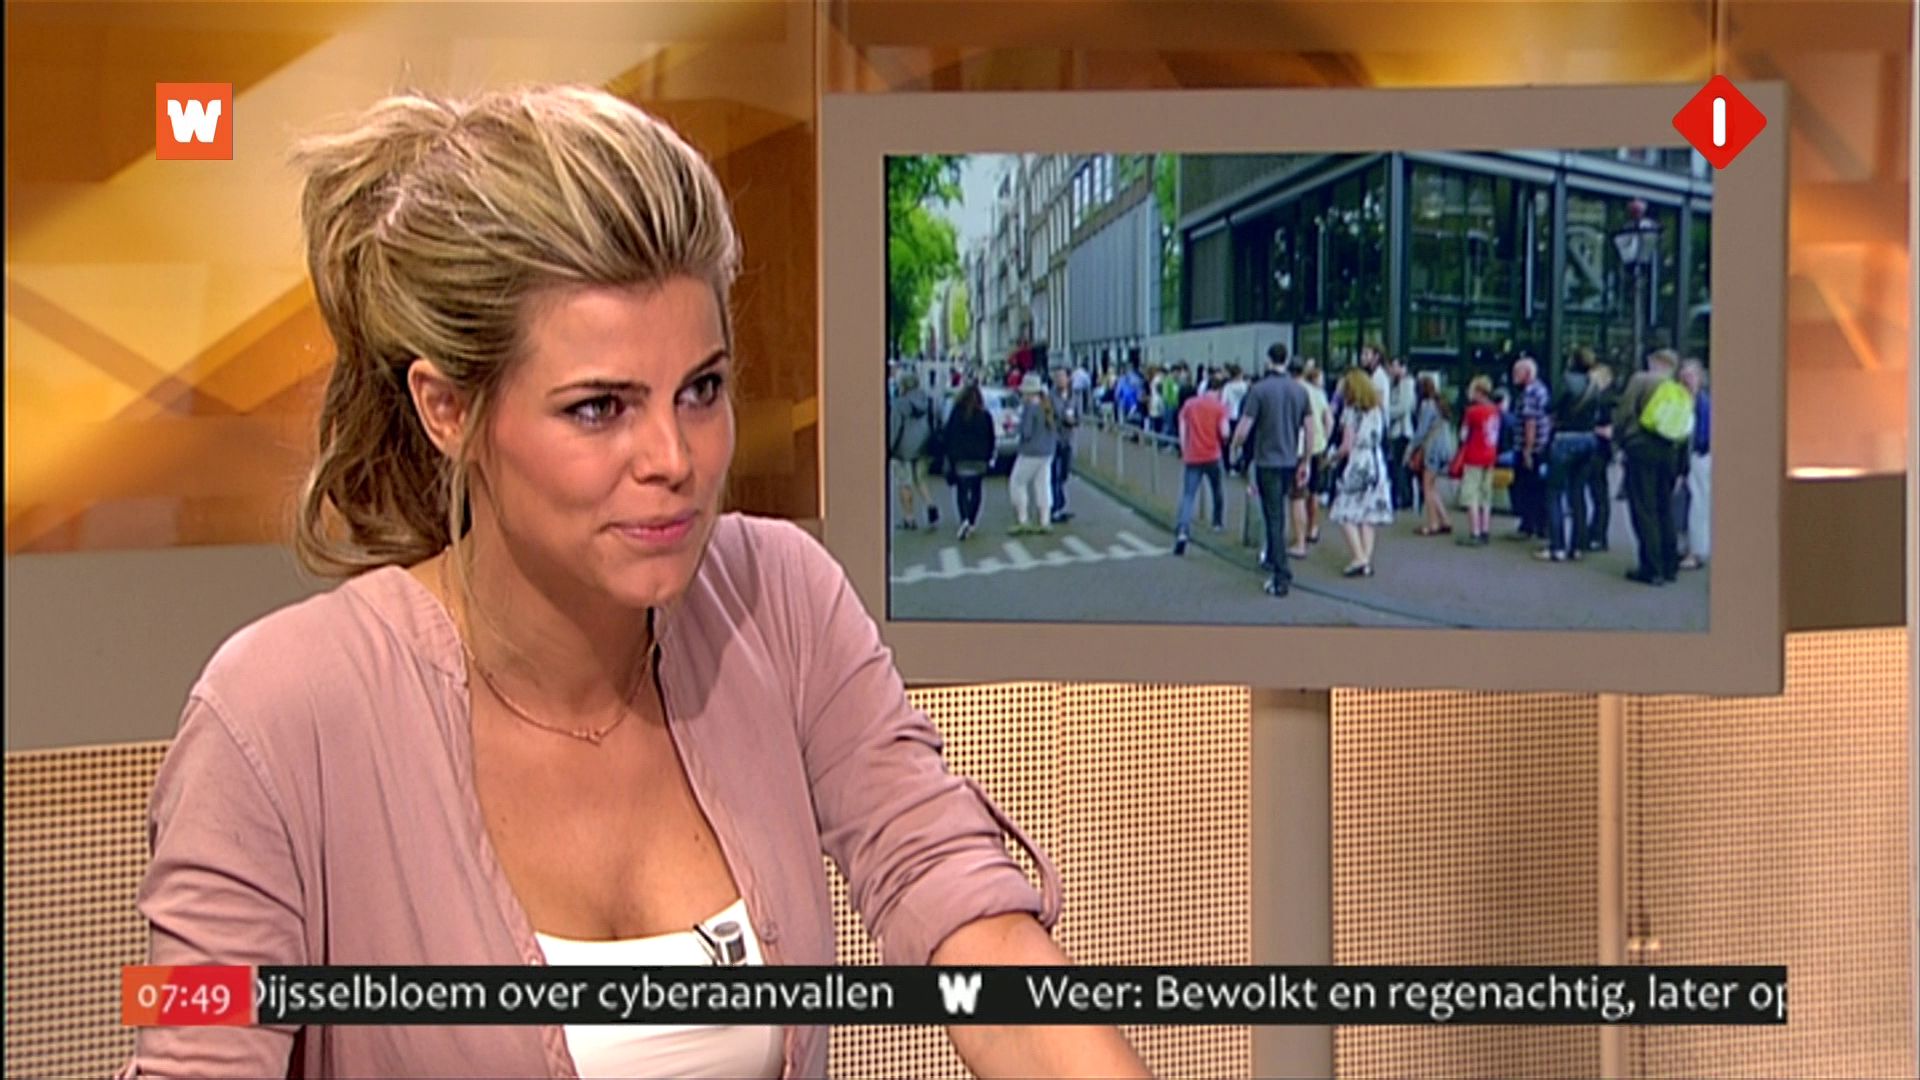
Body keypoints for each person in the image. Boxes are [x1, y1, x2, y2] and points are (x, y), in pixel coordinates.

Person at [121, 85, 1145, 1080]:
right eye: (599, 408)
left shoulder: (779, 600)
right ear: (448, 409)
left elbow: (969, 918)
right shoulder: (274, 715)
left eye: (701, 389)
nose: (674, 458)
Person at [1230, 342, 1313, 597]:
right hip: (1290, 460)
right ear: (1286, 360)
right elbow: (1310, 429)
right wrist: (1305, 461)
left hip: (1267, 461)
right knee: (1281, 513)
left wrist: (1234, 446)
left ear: (1268, 360)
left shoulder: (1259, 390)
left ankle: (1281, 575)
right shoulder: (1300, 391)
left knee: (1273, 518)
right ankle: (1275, 562)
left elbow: (1244, 427)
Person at [1613, 349, 1690, 585]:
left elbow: (1624, 413)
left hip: (1642, 449)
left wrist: (1619, 441)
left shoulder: (1641, 380)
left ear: (1654, 362)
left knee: (1644, 509)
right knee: (1664, 508)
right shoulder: (1678, 388)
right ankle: (1669, 566)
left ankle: (1651, 568)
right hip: (1669, 452)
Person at [1537, 351, 1605, 563]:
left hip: (1565, 439)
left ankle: (1557, 545)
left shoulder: (1566, 381)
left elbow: (1550, 406)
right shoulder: (1594, 384)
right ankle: (1577, 546)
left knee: (1554, 493)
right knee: (1578, 494)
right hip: (1588, 439)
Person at [1328, 367, 1392, 576]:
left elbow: (1347, 445)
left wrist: (1333, 457)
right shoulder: (1377, 409)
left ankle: (1359, 557)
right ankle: (1366, 559)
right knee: (1368, 514)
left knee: (1344, 511)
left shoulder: (1351, 411)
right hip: (1376, 461)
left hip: (1358, 461)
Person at [1172, 380, 1228, 555]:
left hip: (1193, 455)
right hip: (1212, 455)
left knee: (1188, 495)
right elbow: (1225, 432)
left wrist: (1184, 449)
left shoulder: (1189, 405)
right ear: (1219, 391)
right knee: (1217, 489)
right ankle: (1217, 522)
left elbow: (1182, 428)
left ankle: (1183, 530)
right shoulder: (1220, 407)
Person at [1450, 375, 1501, 546]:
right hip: (1490, 456)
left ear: (1478, 392)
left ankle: (1475, 531)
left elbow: (1463, 435)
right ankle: (1485, 530)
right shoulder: (1494, 410)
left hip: (1474, 456)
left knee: (1471, 494)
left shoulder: (1472, 412)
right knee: (1486, 494)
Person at [943, 384, 996, 540]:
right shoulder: (985, 416)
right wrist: (988, 456)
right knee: (976, 491)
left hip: (960, 460)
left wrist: (950, 456)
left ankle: (964, 519)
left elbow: (949, 436)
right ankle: (972, 521)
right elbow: (991, 438)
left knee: (962, 491)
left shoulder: (956, 414)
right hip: (979, 460)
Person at [888, 370, 939, 530]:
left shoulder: (899, 404)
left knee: (904, 482)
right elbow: (936, 421)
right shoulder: (928, 401)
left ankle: (909, 517)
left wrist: (889, 447)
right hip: (924, 445)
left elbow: (894, 427)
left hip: (902, 448)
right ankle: (930, 505)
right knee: (920, 479)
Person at [1406, 374, 1457, 537]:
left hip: (1432, 448)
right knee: (1433, 486)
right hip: (1445, 447)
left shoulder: (1426, 406)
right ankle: (1445, 519)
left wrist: (1410, 450)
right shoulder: (1440, 405)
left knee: (1427, 486)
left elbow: (1421, 432)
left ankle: (1433, 523)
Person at [1508, 354, 1552, 541]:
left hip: (1531, 447)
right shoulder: (1542, 390)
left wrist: (1527, 449)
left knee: (1527, 487)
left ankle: (1529, 524)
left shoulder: (1528, 393)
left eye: (1516, 372)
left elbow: (1530, 422)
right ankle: (1540, 525)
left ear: (1527, 373)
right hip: (1542, 445)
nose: (1513, 376)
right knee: (1539, 488)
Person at [1009, 372, 1058, 535]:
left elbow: (1027, 432)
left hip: (1030, 452)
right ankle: (1045, 520)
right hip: (1047, 451)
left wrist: (1014, 427)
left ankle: (1023, 519)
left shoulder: (1030, 408)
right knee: (1043, 485)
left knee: (1017, 482)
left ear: (1029, 393)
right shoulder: (1047, 405)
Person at [1677, 358, 1711, 570]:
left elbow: (1703, 434)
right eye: (1684, 375)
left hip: (1698, 456)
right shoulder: (1688, 400)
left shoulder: (1701, 403)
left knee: (1698, 504)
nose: (1686, 379)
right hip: (1690, 456)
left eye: (1690, 375)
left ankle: (1697, 550)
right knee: (1687, 503)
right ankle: (1690, 546)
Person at [1297, 359, 1334, 544]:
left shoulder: (1296, 391)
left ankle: (1300, 532)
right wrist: (1325, 439)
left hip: (1298, 447)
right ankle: (1313, 528)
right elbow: (1329, 420)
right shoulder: (1319, 394)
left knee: (1298, 494)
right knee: (1314, 491)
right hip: (1318, 446)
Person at [1385, 357, 1417, 511]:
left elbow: (1403, 407)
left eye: (1394, 366)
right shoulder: (1394, 384)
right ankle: (1402, 496)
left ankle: (1404, 497)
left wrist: (1387, 412)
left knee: (1400, 466)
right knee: (1397, 466)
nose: (1392, 370)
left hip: (1402, 432)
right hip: (1396, 431)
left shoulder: (1407, 384)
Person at [1048, 367, 1079, 524]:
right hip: (1054, 439)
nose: (1059, 380)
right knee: (1054, 474)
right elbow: (1048, 416)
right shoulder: (1050, 396)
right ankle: (1056, 507)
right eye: (1057, 377)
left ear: (1068, 379)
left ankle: (1059, 503)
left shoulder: (1075, 396)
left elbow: (1079, 416)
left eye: (1062, 377)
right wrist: (1060, 419)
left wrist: (1074, 421)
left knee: (1064, 473)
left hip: (1068, 440)